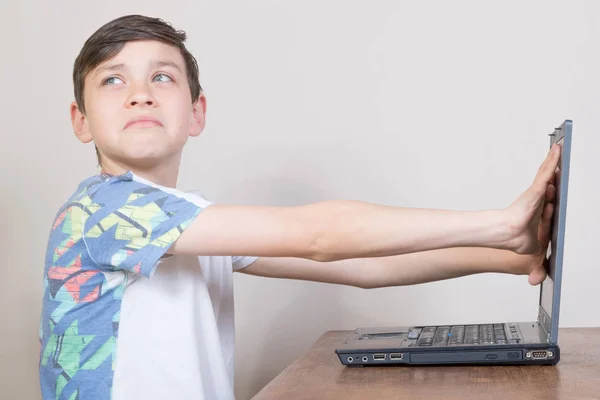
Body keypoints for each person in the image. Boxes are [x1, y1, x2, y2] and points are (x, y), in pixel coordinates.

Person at [38, 14, 560, 400]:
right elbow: (320, 235)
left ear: (196, 113)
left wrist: (510, 256)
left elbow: (362, 263)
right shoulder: (103, 210)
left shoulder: (188, 219)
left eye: (163, 77)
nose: (140, 94)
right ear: (80, 120)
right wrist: (503, 222)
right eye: (113, 79)